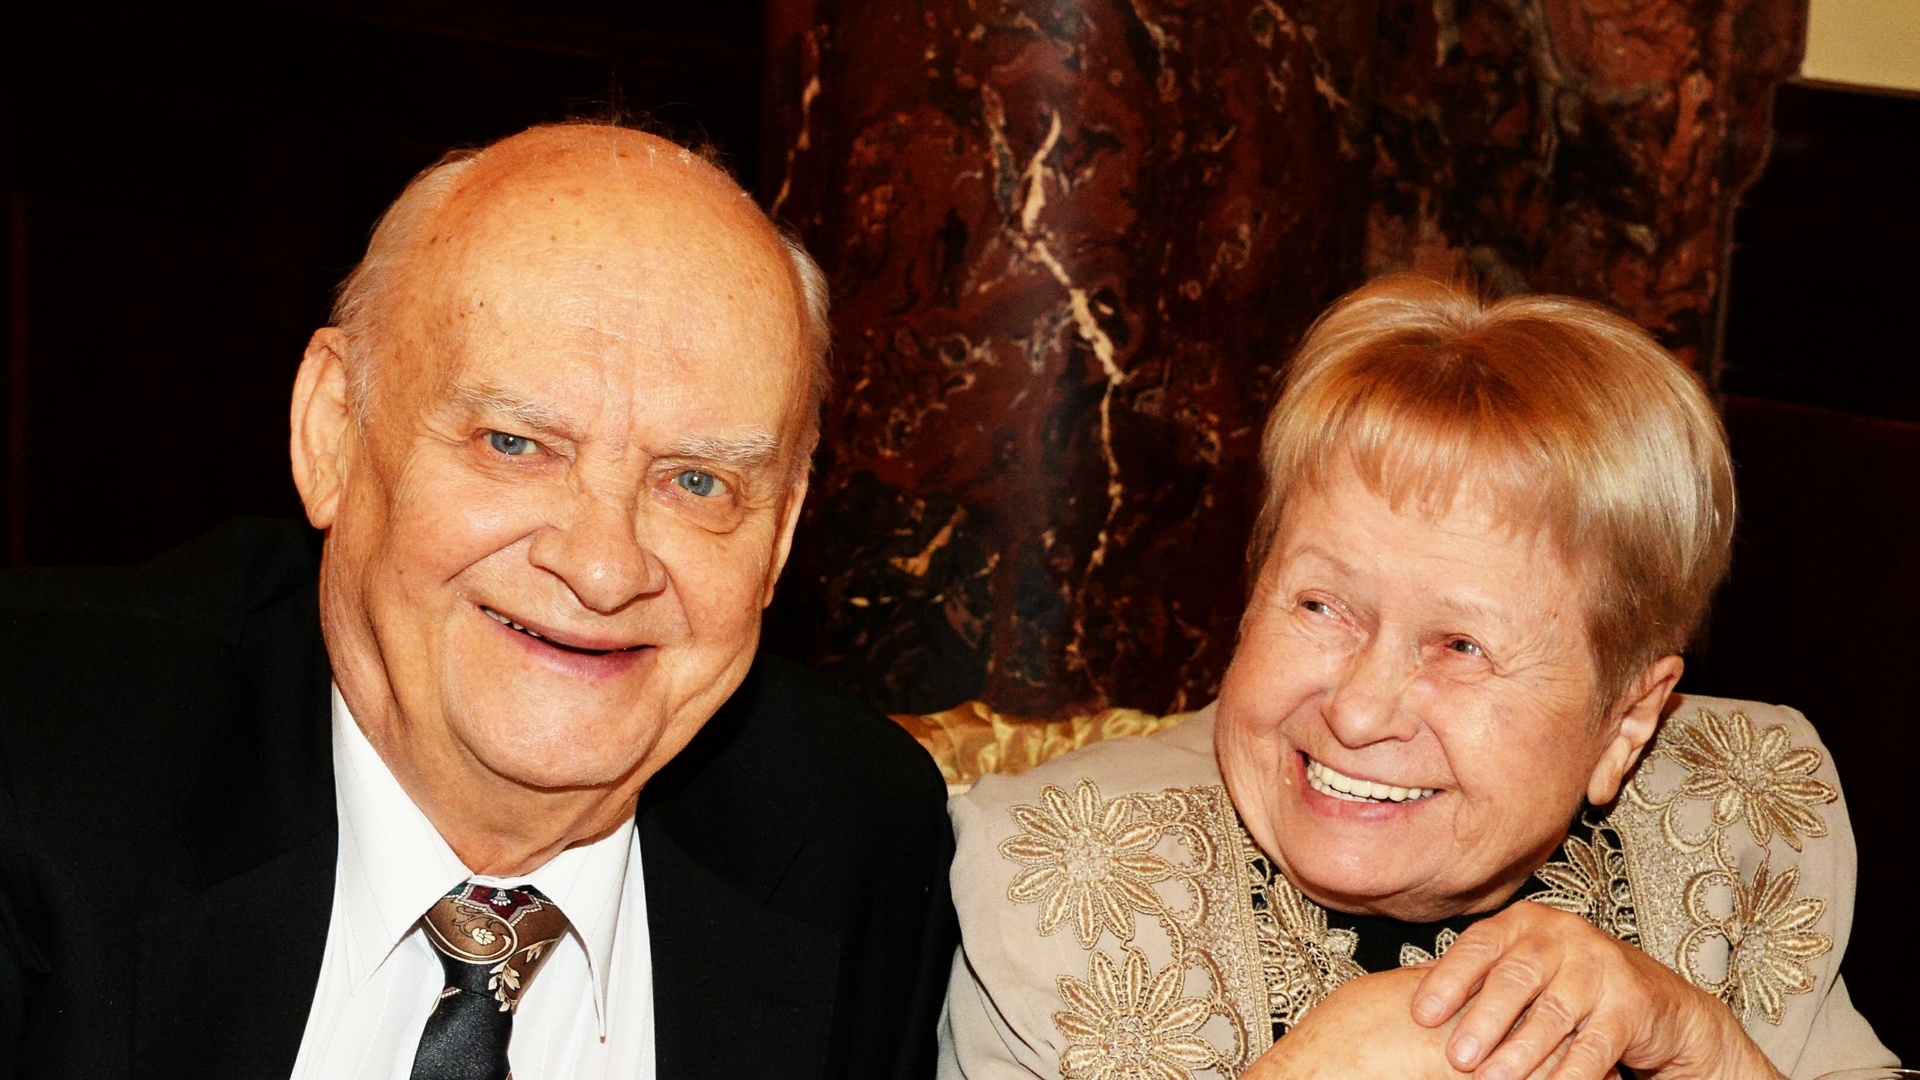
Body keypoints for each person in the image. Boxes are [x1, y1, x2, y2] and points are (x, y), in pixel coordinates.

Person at [0, 123, 956, 1079]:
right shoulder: (36, 748)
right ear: (333, 432)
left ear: (780, 534)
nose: (604, 570)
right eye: (514, 444)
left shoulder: (854, 841)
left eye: (696, 482)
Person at [939, 275, 1894, 1079]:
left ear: (1628, 722)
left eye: (1461, 647)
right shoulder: (1058, 886)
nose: (1358, 713)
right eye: (1323, 606)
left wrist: (1703, 1048)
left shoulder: (1741, 816)